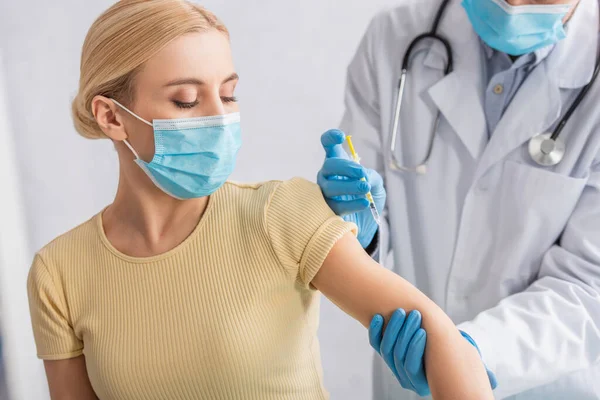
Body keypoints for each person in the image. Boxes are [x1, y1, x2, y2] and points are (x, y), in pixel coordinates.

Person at [25, 1, 494, 399]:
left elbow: (440, 337)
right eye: (187, 101)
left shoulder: (281, 213)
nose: (219, 118)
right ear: (111, 116)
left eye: (228, 95)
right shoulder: (60, 272)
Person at [317, 0, 600, 398]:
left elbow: (589, 285)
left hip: (542, 382)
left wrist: (464, 354)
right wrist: (360, 231)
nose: (515, 4)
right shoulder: (395, 38)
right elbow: (365, 215)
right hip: (407, 370)